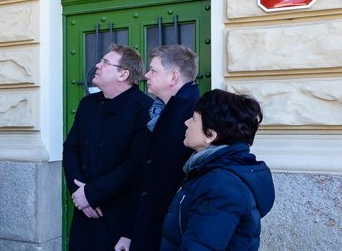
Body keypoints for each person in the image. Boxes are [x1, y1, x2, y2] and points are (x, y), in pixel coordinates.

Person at [63, 44, 153, 250]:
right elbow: (70, 149)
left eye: (105, 62)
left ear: (123, 74)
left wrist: (92, 194)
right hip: (84, 212)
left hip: (119, 217)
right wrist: (79, 194)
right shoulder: (88, 104)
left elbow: (135, 165)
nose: (97, 65)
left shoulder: (143, 109)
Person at [160, 89, 275, 250]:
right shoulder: (211, 171)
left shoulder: (221, 184)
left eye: (193, 119)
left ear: (210, 135)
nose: (187, 123)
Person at [115, 44, 200, 251]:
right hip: (150, 228)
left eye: (153, 70)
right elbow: (146, 179)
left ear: (173, 77)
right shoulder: (160, 112)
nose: (145, 75)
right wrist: (130, 232)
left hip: (171, 234)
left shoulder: (195, 115)